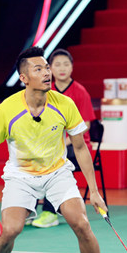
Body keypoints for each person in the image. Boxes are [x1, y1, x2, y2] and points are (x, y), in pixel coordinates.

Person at [0, 46, 119, 253]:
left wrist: (94, 191)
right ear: (24, 78)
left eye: (47, 67)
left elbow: (81, 147)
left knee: (81, 223)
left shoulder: (64, 104)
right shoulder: (7, 109)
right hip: (21, 176)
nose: (47, 72)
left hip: (57, 173)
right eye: (38, 69)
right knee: (10, 230)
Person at [31, 48, 96, 228]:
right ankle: (29, 211)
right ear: (50, 68)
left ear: (72, 68)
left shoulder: (80, 92)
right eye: (57, 65)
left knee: (54, 162)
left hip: (76, 145)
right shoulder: (44, 91)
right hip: (49, 144)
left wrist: (61, 142)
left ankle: (50, 213)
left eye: (66, 64)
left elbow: (86, 126)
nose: (62, 68)